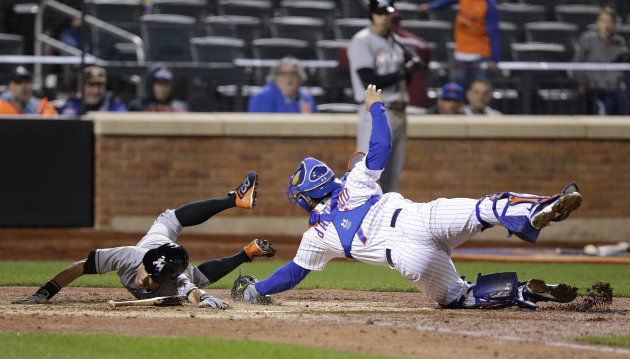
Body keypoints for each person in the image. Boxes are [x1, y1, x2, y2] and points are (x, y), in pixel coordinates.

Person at [234, 84, 582, 310]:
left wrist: (257, 289)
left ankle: (524, 292)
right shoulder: (355, 181)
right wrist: (376, 106)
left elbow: (291, 275)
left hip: (407, 258)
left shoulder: (315, 235)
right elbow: (382, 144)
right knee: (484, 208)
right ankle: (538, 208)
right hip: (422, 217)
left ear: (305, 198)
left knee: (458, 296)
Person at [13, 171, 275, 309]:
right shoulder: (129, 257)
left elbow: (193, 290)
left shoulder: (176, 276)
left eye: (152, 279)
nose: (144, 280)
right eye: (147, 272)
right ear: (145, 263)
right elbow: (81, 266)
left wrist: (204, 298)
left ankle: (245, 245)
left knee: (197, 278)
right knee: (170, 219)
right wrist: (44, 294)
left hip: (181, 267)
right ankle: (236, 206)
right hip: (157, 241)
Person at [348, 0, 424, 193]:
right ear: (371, 14)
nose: (383, 17)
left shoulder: (394, 42)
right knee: (367, 172)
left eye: (386, 13)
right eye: (379, 13)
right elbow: (369, 80)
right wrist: (402, 72)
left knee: (392, 177)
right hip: (376, 111)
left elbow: (405, 78)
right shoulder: (362, 40)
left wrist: (409, 69)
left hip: (399, 110)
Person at [418, 0, 500, 91]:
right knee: (458, 91)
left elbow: (493, 32)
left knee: (480, 91)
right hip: (461, 53)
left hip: (480, 54)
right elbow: (447, 1)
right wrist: (431, 6)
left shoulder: (489, 4)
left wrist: (495, 58)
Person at [575, 7, 629, 115]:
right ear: (597, 24)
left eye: (610, 22)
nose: (607, 25)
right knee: (606, 106)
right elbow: (577, 63)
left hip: (615, 88)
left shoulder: (620, 42)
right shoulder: (587, 39)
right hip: (594, 89)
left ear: (614, 25)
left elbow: (625, 65)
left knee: (624, 99)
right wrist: (581, 83)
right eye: (604, 21)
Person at [391, 7, 432, 110]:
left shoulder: (370, 42)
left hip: (388, 100)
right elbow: (425, 65)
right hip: (416, 99)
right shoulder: (419, 43)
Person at [248, 57, 317, 113]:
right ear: (275, 78)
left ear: (300, 78)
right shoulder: (262, 97)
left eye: (293, 73)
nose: (289, 77)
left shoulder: (306, 98)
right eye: (283, 73)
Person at [59, 66, 127, 115]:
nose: (95, 91)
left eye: (99, 85)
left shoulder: (113, 103)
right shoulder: (72, 104)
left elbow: (122, 119)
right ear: (80, 88)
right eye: (91, 85)